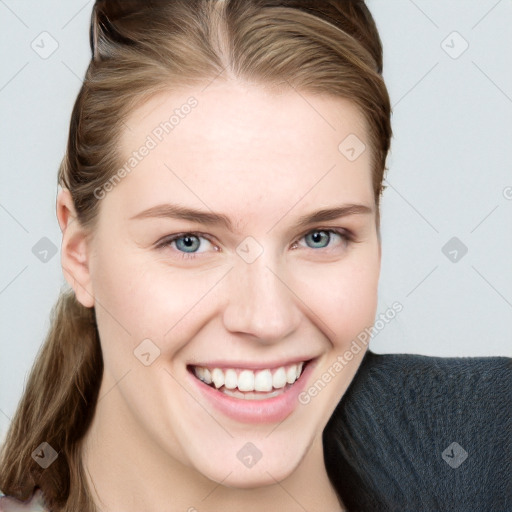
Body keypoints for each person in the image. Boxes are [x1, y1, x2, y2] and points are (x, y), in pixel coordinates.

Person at [0, 1, 510, 511]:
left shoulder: (487, 449)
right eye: (189, 242)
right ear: (80, 254)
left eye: (320, 236)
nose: (267, 319)